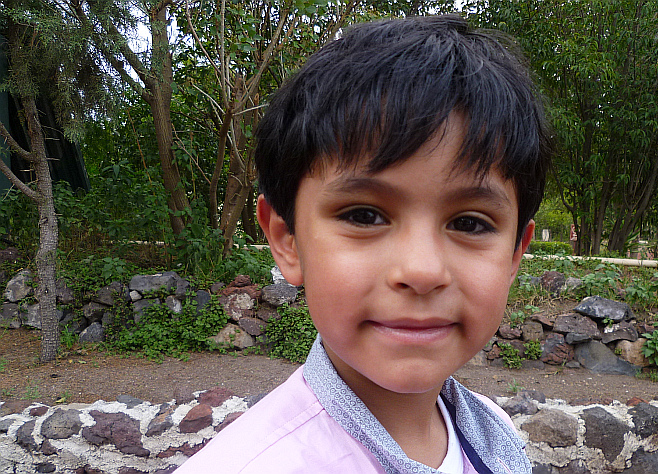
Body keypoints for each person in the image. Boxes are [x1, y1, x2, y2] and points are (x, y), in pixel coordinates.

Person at [175, 14, 551, 474]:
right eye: (363, 216)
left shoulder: (497, 437)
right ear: (287, 239)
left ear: (515, 253)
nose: (422, 271)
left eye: (470, 223)